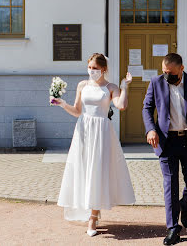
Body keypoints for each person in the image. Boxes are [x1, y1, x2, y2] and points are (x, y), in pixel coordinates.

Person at [51, 53, 135, 237]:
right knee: (83, 169)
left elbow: (121, 105)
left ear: (104, 69)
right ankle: (88, 208)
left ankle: (93, 216)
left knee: (98, 171)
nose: (92, 71)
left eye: (95, 68)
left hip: (102, 132)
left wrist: (124, 87)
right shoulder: (82, 85)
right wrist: (62, 103)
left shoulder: (110, 87)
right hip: (83, 131)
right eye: (89, 68)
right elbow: (77, 111)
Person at [142, 53, 187, 245]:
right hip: (166, 141)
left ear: (181, 68)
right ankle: (173, 228)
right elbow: (147, 108)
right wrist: (150, 130)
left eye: (171, 73)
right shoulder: (156, 82)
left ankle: (185, 204)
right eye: (164, 72)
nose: (167, 76)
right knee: (170, 184)